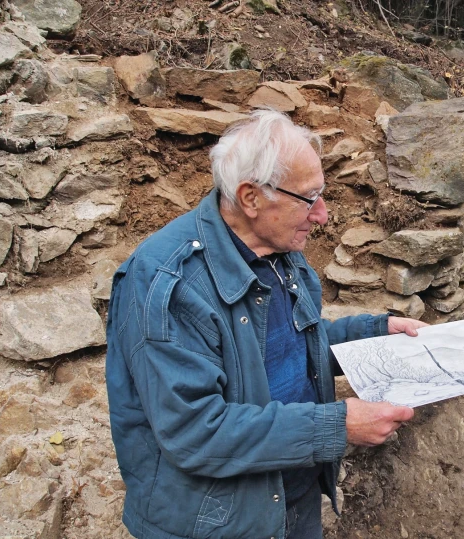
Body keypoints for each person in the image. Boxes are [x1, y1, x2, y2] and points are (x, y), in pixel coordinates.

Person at [105, 109, 426, 539]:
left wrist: (372, 333)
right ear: (251, 198)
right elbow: (196, 431)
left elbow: (288, 348)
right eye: (309, 198)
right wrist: (336, 425)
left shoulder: (277, 251)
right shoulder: (167, 284)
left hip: (289, 493)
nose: (323, 215)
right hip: (219, 521)